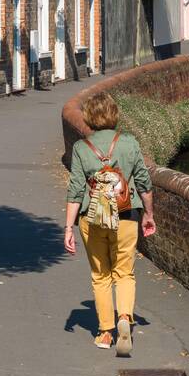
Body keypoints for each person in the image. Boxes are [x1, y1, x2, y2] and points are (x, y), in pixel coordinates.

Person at [64, 90, 156, 354]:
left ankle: (105, 333)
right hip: (126, 215)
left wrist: (68, 227)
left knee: (101, 275)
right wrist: (148, 214)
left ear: (89, 117)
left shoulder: (82, 148)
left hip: (92, 219)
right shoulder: (129, 143)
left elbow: (75, 190)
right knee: (124, 272)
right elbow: (143, 183)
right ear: (114, 115)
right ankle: (125, 317)